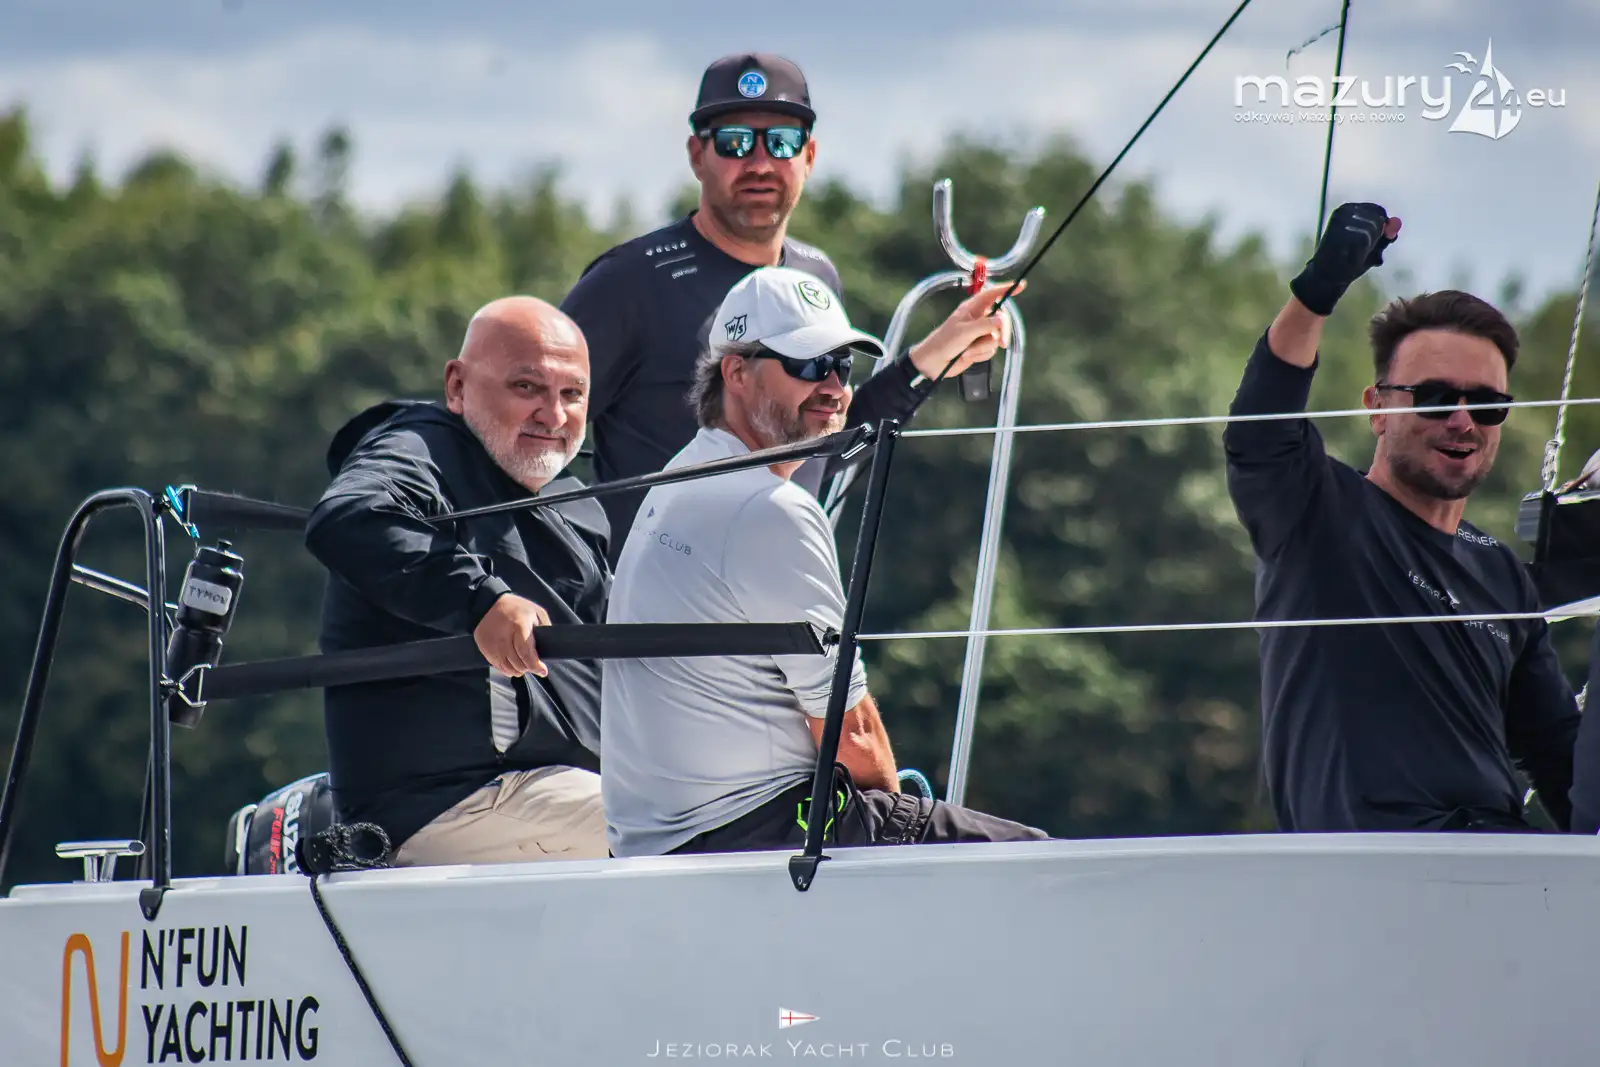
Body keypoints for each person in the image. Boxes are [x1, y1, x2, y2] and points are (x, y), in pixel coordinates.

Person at [599, 266, 1049, 857]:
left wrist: (934, 354)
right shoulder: (768, 508)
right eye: (809, 365)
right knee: (1038, 858)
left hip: (665, 835)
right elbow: (851, 736)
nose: (834, 387)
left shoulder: (683, 474)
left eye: (842, 365)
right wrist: (894, 831)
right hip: (753, 829)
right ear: (736, 372)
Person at [1223, 200, 1580, 833]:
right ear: (1377, 408)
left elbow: (1560, 756)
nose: (1463, 421)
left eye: (1488, 405)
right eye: (1436, 398)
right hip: (1375, 864)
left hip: (1502, 861)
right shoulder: (1318, 510)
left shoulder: (1500, 573)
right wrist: (1317, 290)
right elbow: (1260, 428)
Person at [560, 52, 997, 561]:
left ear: (809, 156)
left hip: (778, 588)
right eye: (735, 142)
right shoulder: (630, 281)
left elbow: (815, 446)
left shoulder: (816, 278)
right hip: (655, 600)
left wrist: (931, 360)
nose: (760, 164)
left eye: (782, 142)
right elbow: (523, 441)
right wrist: (559, 577)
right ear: (697, 155)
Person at [304, 296, 610, 865]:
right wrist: (481, 601)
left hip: (565, 786)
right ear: (457, 386)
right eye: (526, 387)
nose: (553, 415)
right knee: (672, 827)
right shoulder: (416, 449)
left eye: (572, 394)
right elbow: (349, 516)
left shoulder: (577, 504)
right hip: (449, 801)